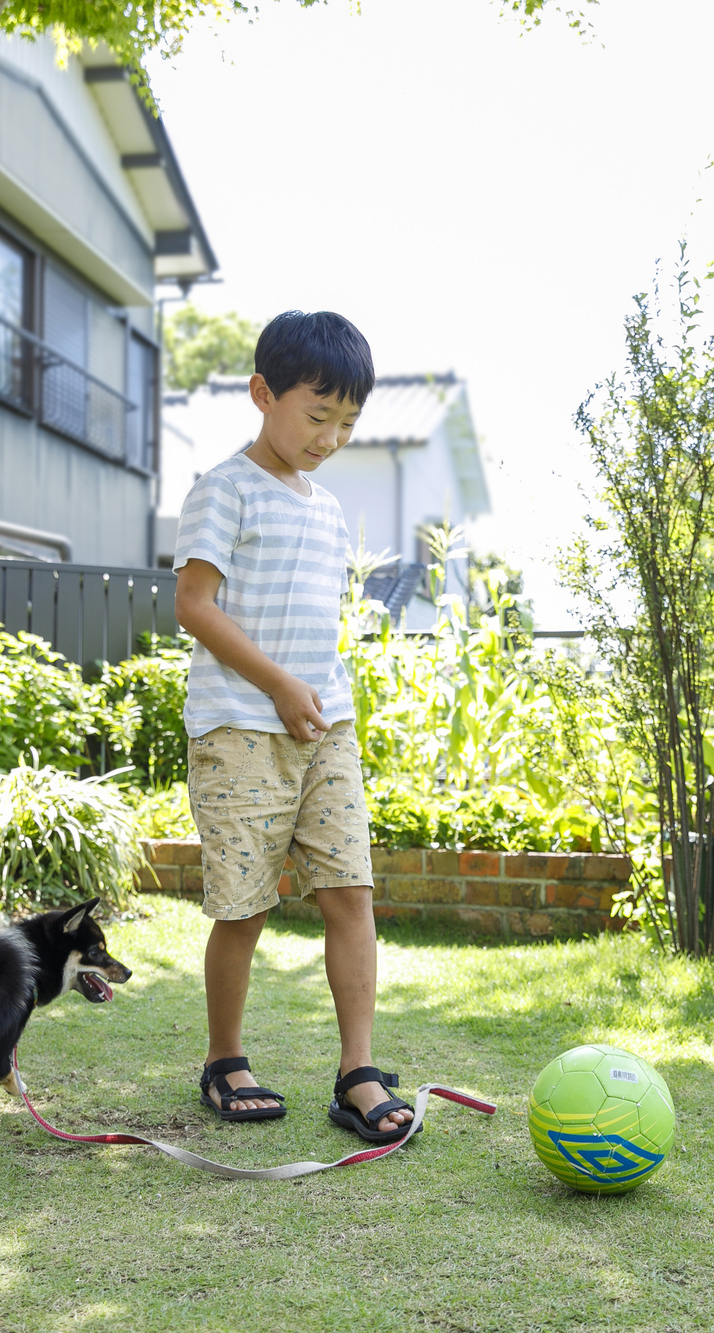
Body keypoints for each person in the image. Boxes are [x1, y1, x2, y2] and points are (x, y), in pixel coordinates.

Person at [171, 309, 416, 1144]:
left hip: (324, 729)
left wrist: (311, 698)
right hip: (239, 727)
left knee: (351, 891)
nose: (330, 437)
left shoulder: (328, 507)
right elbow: (192, 606)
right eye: (317, 416)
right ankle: (225, 1060)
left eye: (347, 422)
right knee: (242, 908)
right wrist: (276, 684)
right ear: (261, 393)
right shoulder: (223, 488)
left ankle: (357, 1072)